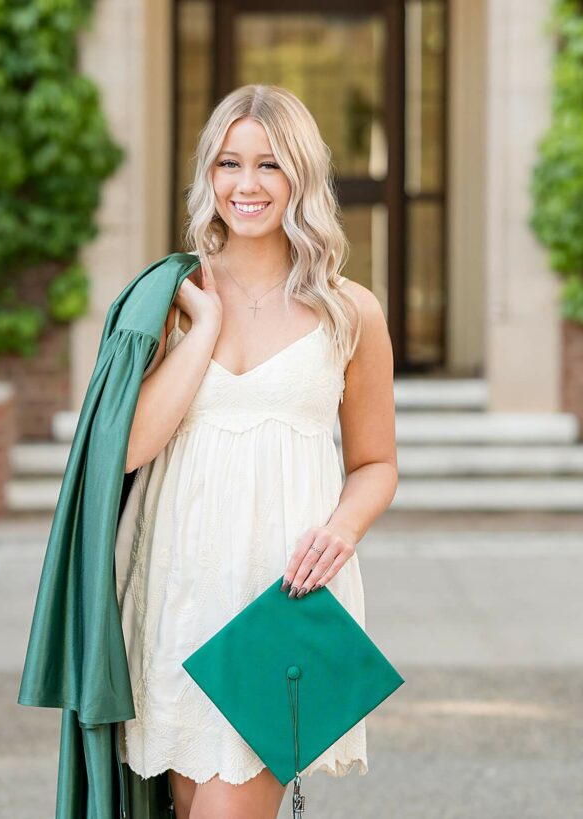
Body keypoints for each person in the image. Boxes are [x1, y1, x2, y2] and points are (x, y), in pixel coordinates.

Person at [113, 84, 398, 819]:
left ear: (300, 178)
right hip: (177, 596)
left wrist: (342, 529)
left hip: (282, 599)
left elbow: (376, 463)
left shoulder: (350, 310)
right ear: (208, 175)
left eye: (269, 165)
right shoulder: (170, 298)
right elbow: (130, 446)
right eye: (229, 163)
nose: (247, 184)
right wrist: (203, 326)